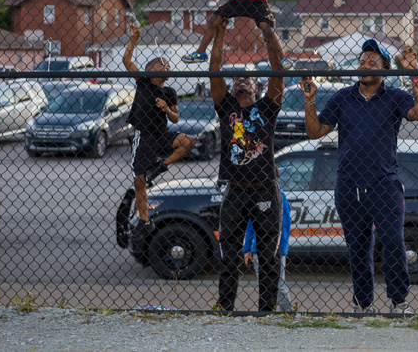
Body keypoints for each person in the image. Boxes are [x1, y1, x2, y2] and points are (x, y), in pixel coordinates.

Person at [302, 39, 418, 315]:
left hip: (384, 184)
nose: (365, 65)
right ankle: (364, 305)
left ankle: (399, 302)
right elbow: (315, 132)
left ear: (385, 68)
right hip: (349, 186)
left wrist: (413, 75)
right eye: (362, 61)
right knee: (358, 249)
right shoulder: (341, 98)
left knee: (393, 242)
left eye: (373, 62)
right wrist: (309, 99)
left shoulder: (395, 97)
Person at [210, 18, 288, 312]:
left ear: (256, 89)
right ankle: (225, 305)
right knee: (228, 254)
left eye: (249, 78)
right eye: (237, 78)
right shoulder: (225, 107)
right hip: (236, 189)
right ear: (230, 89)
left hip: (265, 189)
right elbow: (214, 70)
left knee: (268, 255)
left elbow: (278, 70)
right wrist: (219, 34)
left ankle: (266, 310)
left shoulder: (267, 108)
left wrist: (268, 34)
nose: (242, 79)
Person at [123, 22, 194, 237]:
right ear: (152, 69)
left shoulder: (170, 92)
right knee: (139, 180)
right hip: (144, 135)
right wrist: (135, 38)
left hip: (161, 134)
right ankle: (144, 221)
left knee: (188, 141)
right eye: (165, 65)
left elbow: (175, 117)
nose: (169, 68)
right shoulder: (143, 82)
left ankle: (161, 166)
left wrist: (165, 109)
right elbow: (127, 61)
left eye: (169, 66)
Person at [243, 187, 292, 312]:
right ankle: (267, 312)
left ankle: (287, 312)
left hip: (276, 249)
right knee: (263, 283)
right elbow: (250, 225)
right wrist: (247, 248)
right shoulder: (256, 196)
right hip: (257, 249)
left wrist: (282, 248)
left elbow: (284, 226)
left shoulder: (280, 198)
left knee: (279, 283)